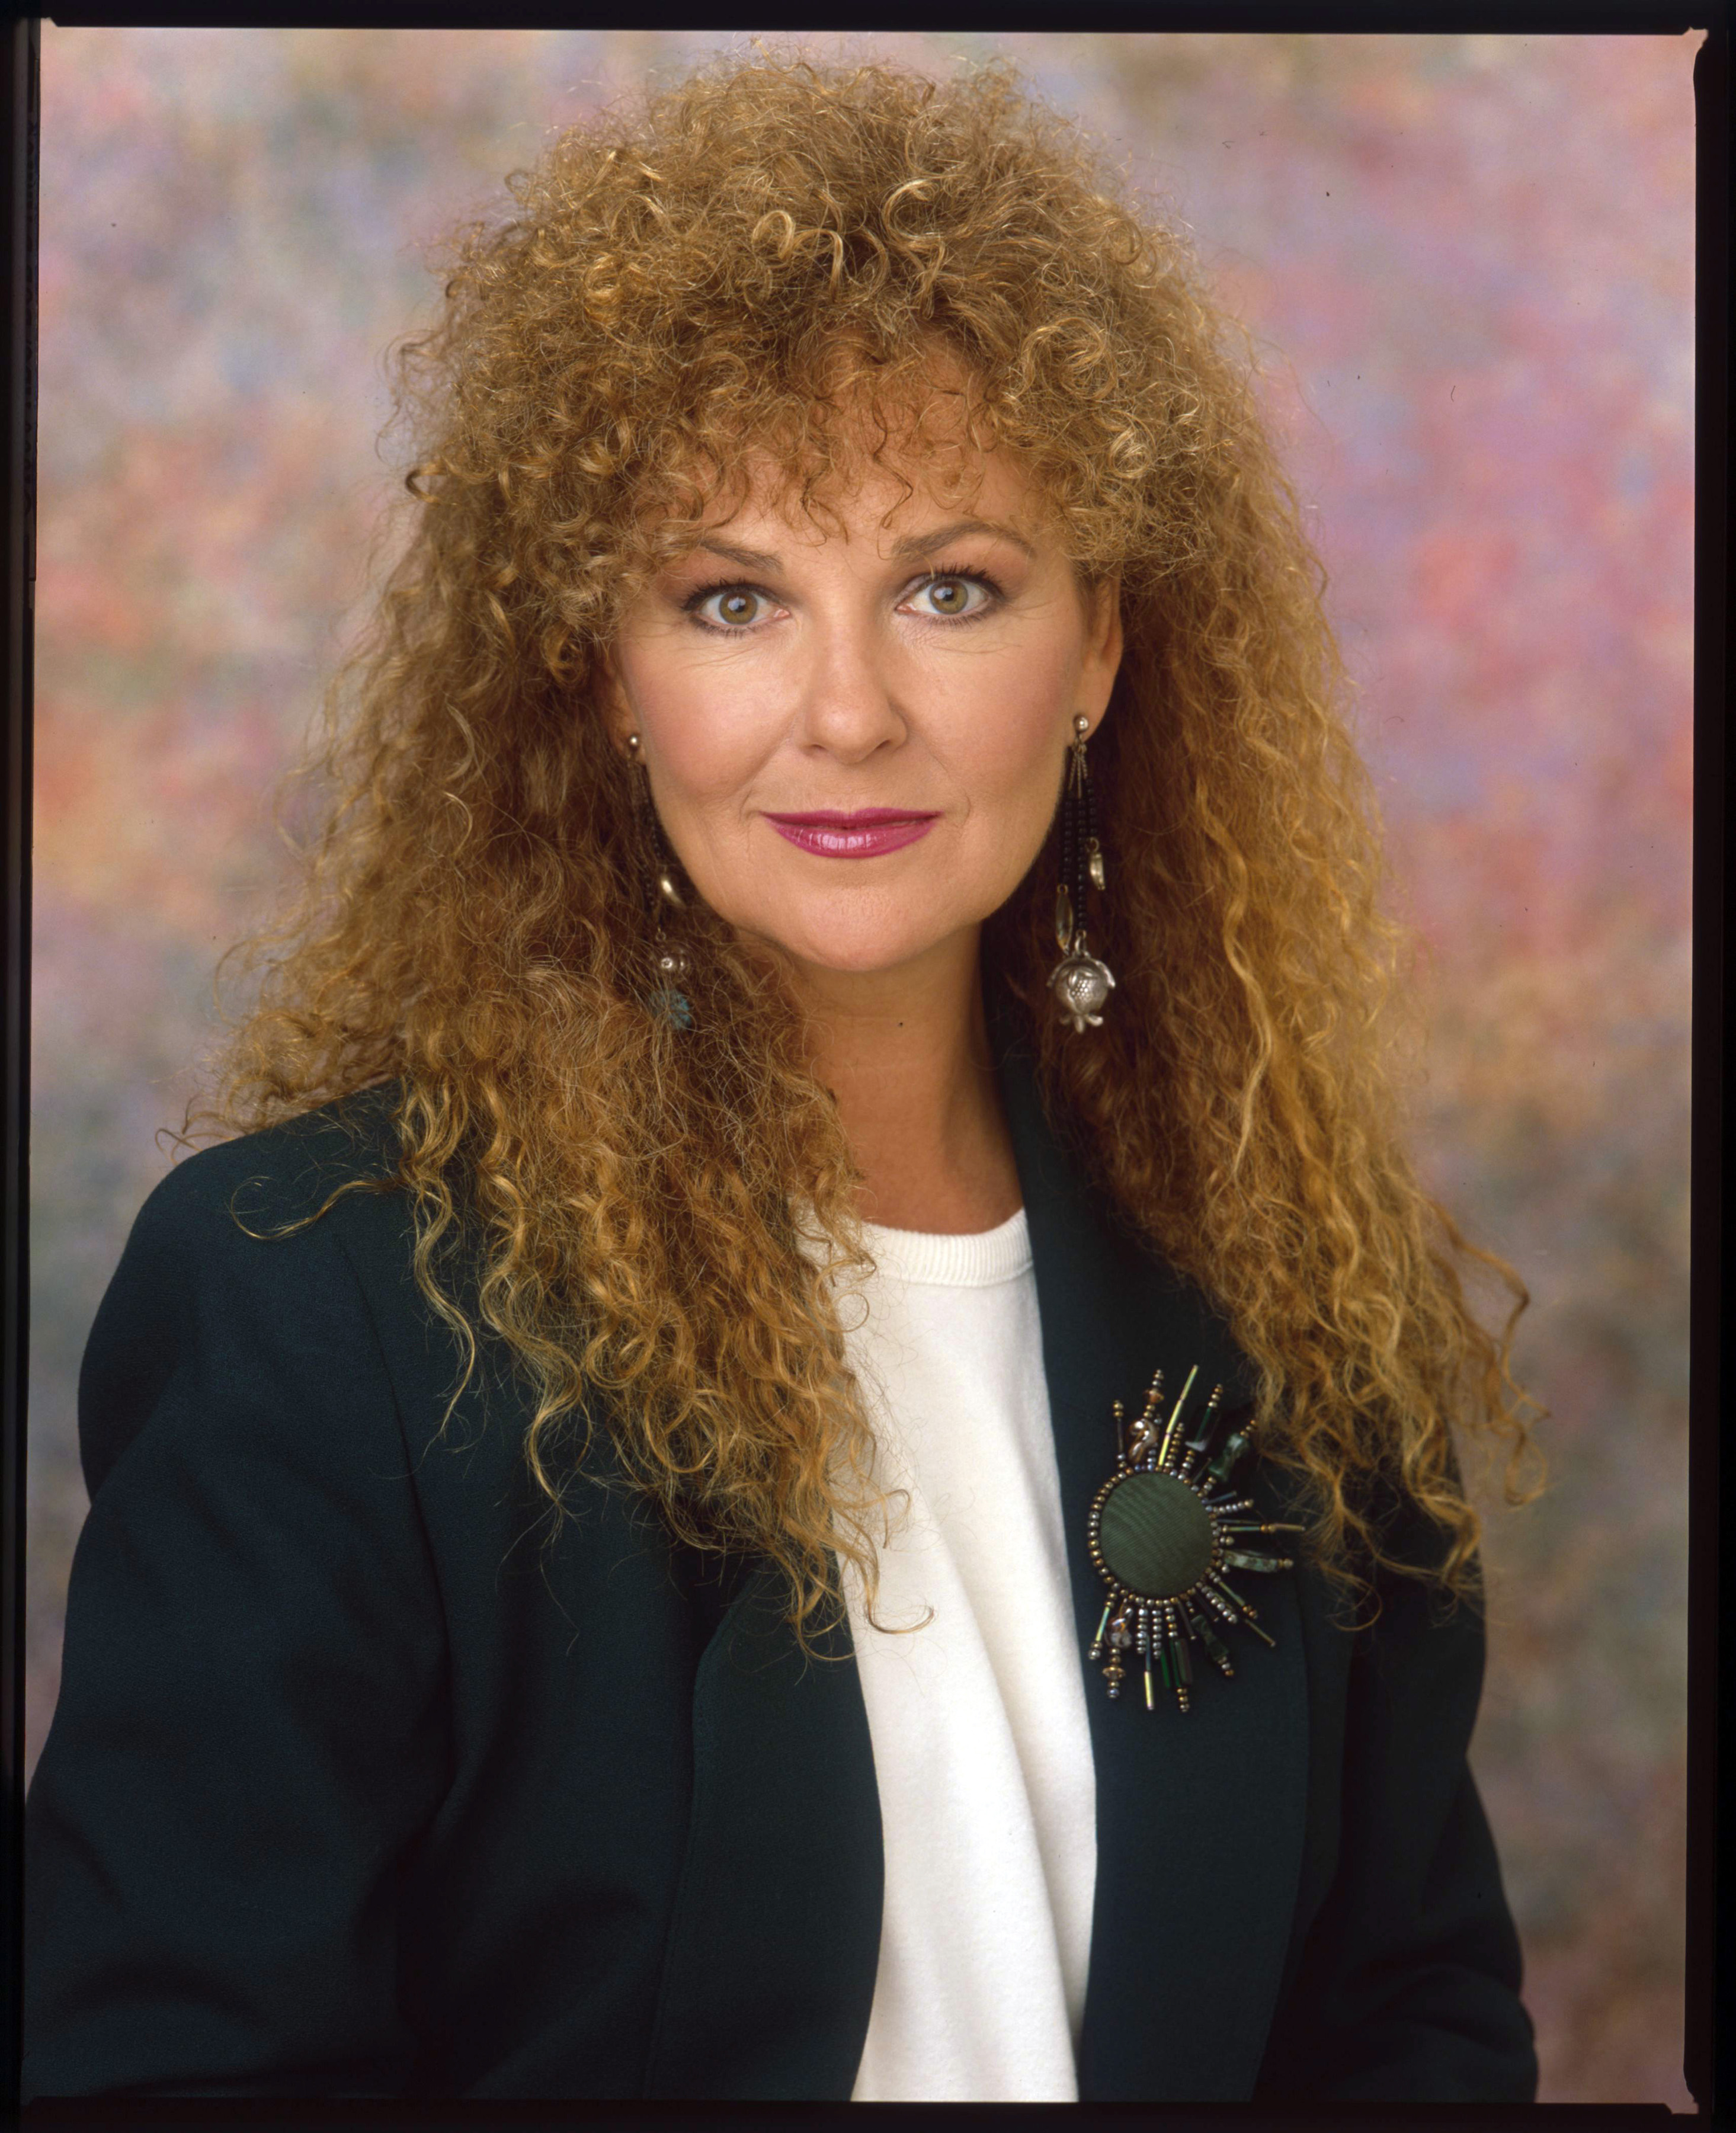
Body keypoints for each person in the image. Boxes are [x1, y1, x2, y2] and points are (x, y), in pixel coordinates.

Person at [23, 54, 1543, 2103]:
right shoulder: (319, 1302)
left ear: (1097, 644)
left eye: (950, 587)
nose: (844, 712)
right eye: (730, 598)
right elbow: (173, 2079)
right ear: (604, 669)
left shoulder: (1281, 1293)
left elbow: (1410, 2028)